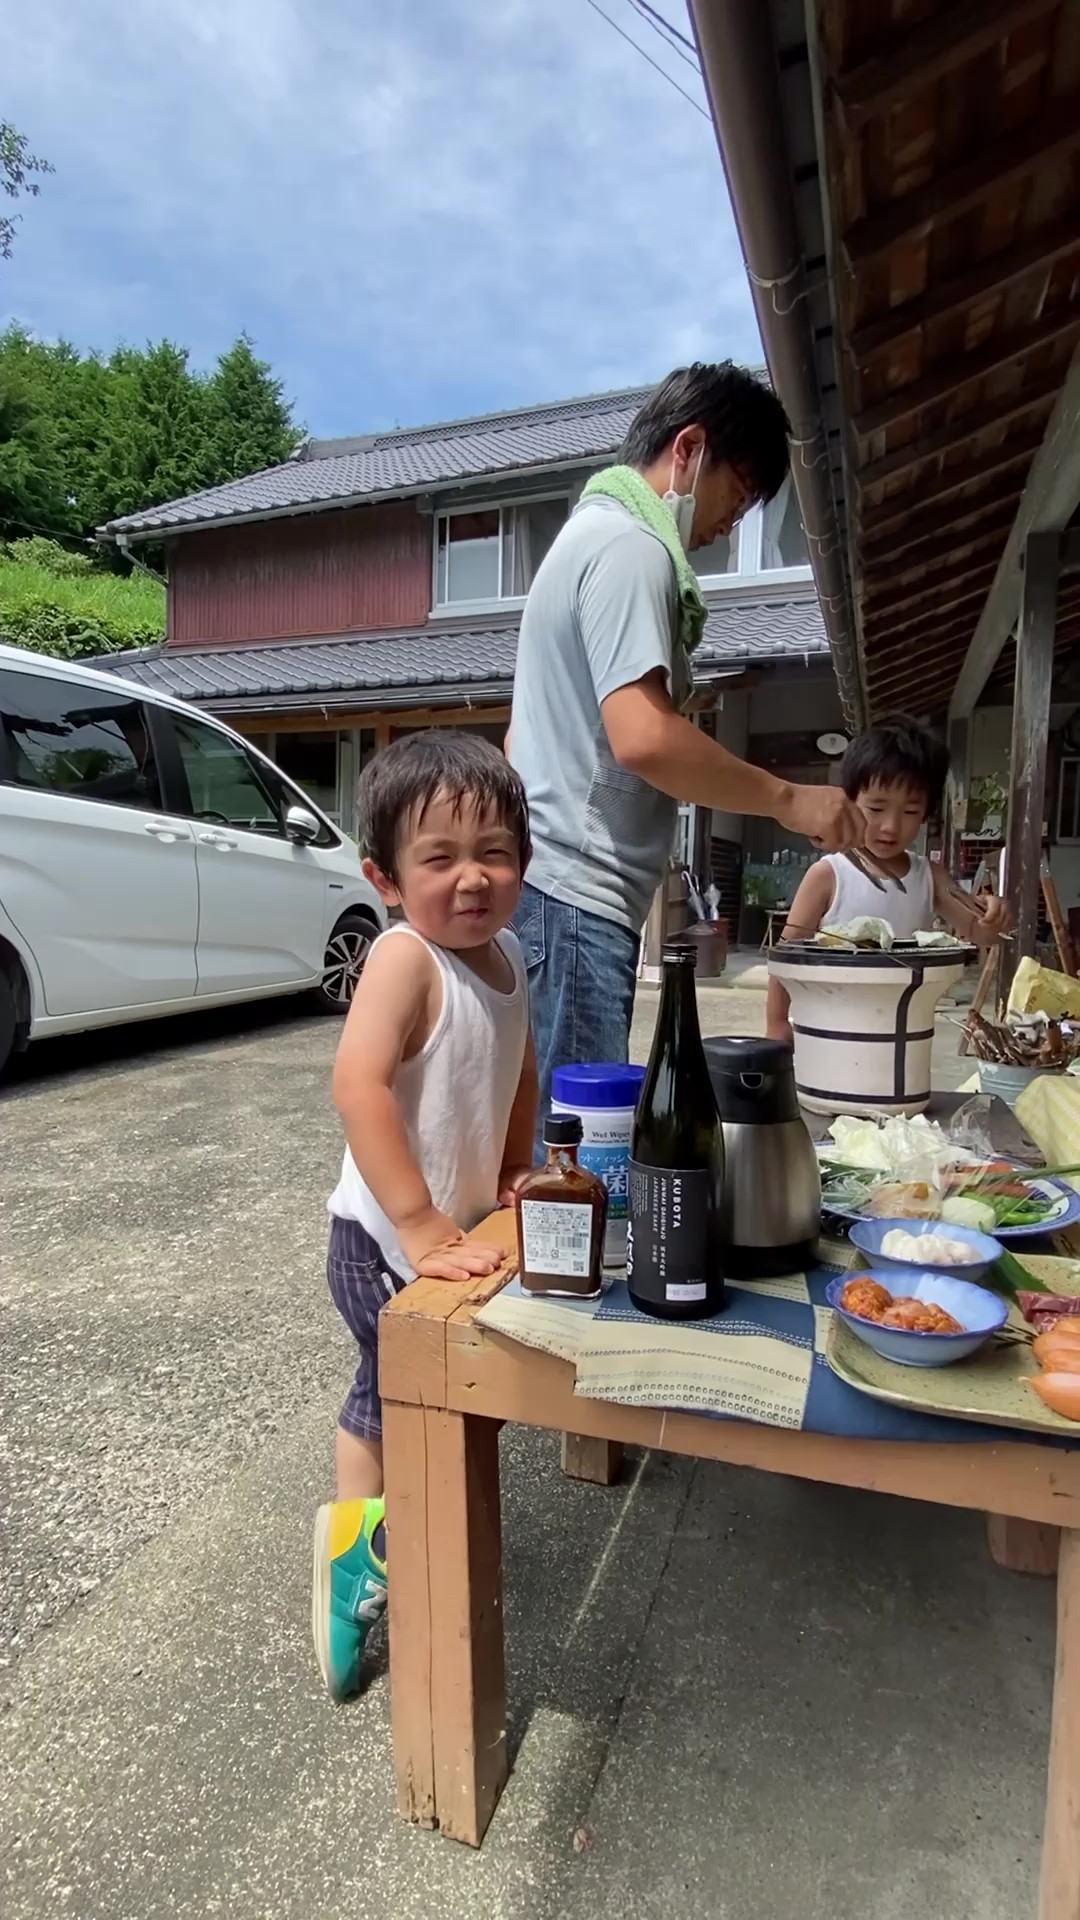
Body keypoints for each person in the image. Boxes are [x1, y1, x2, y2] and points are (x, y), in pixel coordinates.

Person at [508, 361, 865, 1136]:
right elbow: (643, 736)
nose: (729, 527)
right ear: (689, 448)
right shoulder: (632, 547)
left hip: (553, 893)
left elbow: (521, 738)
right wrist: (790, 798)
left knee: (549, 1138)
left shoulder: (585, 537)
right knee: (581, 1150)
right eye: (737, 497)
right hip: (574, 898)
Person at [312, 731, 537, 1701]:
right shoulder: (406, 959)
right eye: (439, 858)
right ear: (387, 877)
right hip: (380, 1239)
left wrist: (522, 1164)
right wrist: (416, 1224)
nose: (472, 878)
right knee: (392, 1395)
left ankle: (415, 1521)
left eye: (494, 852)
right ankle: (355, 1558)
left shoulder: (509, 955)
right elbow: (358, 1085)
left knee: (435, 1394)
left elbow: (518, 1065)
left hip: (454, 1232)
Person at [765, 716, 1011, 1044]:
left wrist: (994, 914)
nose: (891, 826)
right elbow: (786, 954)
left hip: (902, 1033)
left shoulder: (930, 877)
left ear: (926, 813)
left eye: (910, 812)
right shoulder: (829, 875)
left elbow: (980, 932)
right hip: (828, 1028)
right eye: (876, 808)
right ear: (848, 802)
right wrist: (777, 1021)